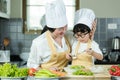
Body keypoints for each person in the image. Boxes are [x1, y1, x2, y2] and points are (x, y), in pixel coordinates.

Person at [27, 0, 71, 71]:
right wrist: (47, 71)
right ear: (51, 29)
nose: (64, 31)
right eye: (60, 29)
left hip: (65, 76)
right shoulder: (39, 42)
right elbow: (31, 65)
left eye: (65, 26)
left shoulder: (69, 36)